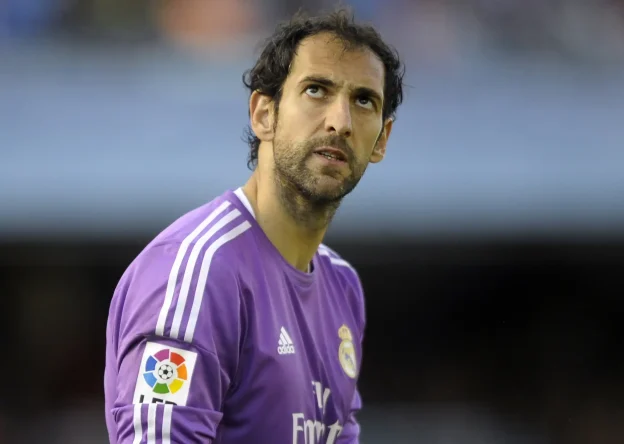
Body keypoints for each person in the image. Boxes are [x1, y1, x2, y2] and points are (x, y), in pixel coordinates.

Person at [104, 8, 405, 444]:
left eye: (363, 101)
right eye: (316, 90)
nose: (340, 122)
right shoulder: (201, 271)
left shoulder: (342, 287)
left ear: (381, 140)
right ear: (264, 113)